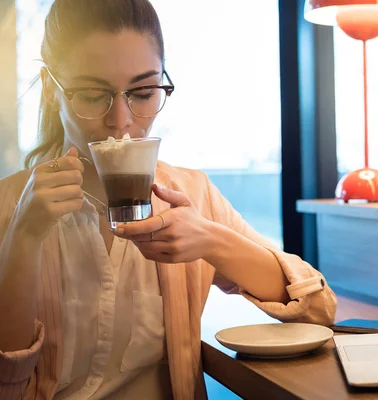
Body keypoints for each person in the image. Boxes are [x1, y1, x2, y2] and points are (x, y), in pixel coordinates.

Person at [0, 0, 337, 398]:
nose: (122, 120)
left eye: (143, 92)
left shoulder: (189, 195)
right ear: (51, 91)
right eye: (93, 94)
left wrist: (212, 240)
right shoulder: (10, 204)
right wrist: (23, 238)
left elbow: (319, 307)